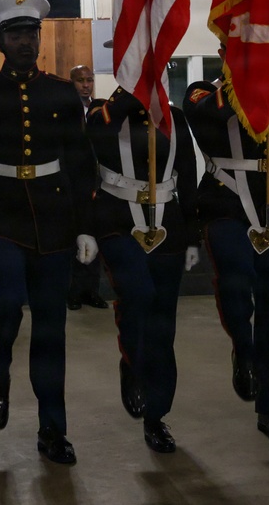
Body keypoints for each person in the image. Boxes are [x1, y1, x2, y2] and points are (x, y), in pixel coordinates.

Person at [0, 0, 98, 464]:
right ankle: (0, 368)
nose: (26, 42)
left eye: (31, 33)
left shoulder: (61, 93)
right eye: (16, 35)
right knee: (7, 304)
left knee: (52, 330)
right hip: (1, 214)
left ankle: (53, 429)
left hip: (54, 218)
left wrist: (86, 226)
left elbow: (80, 163)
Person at [183, 47, 269, 444]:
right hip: (226, 206)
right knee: (236, 283)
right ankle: (242, 347)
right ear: (224, 52)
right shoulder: (201, 94)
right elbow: (209, 119)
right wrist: (240, 83)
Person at [87, 83, 199, 453]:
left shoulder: (175, 118)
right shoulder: (102, 115)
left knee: (163, 321)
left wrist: (194, 235)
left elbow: (188, 172)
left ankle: (156, 415)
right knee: (138, 294)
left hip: (169, 224)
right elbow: (89, 157)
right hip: (117, 221)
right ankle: (131, 362)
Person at [67, 63, 107, 311]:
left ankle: (92, 290)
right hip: (72, 180)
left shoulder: (101, 109)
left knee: (95, 234)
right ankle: (72, 291)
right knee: (74, 236)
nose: (85, 85)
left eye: (89, 80)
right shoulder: (65, 111)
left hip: (97, 179)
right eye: (80, 80)